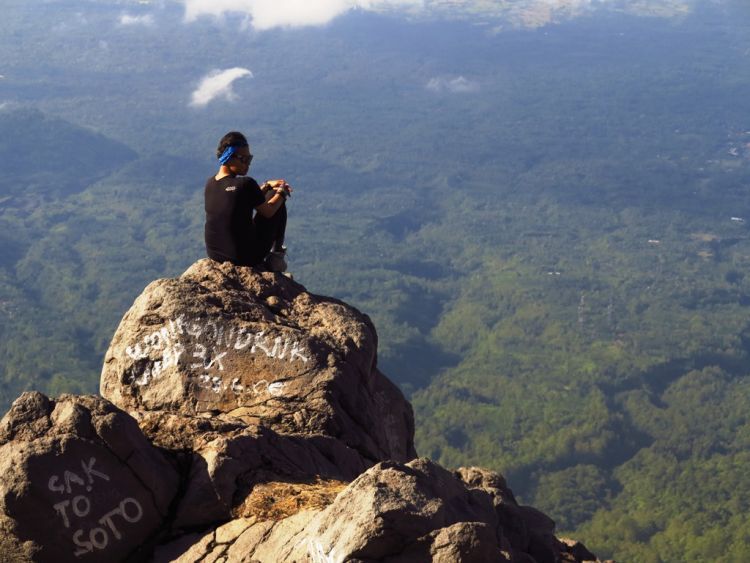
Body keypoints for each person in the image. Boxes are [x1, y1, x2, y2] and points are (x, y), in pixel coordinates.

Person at [204, 131, 292, 271]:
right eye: (243, 159)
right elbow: (268, 212)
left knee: (270, 193)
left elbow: (241, 196)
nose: (247, 164)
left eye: (249, 159)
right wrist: (282, 192)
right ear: (228, 158)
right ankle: (277, 256)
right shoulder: (246, 183)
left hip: (215, 254)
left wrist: (267, 185)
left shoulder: (210, 183)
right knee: (276, 199)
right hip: (245, 257)